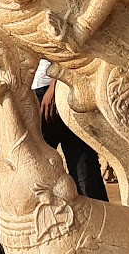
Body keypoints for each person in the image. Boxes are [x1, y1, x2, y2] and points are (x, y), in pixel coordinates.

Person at [34, 59, 108, 201]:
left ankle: (99, 219)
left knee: (85, 170)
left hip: (61, 90)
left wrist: (54, 87)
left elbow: (66, 53)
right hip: (36, 91)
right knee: (39, 172)